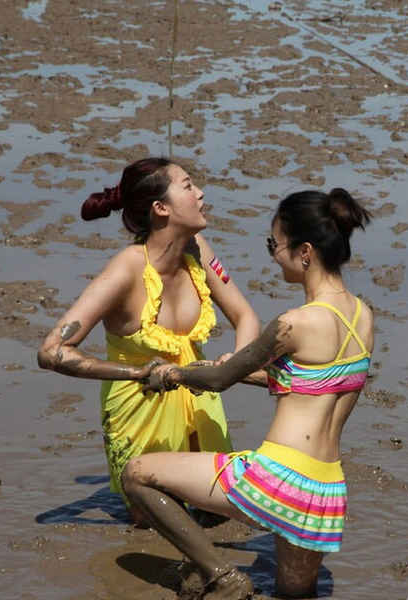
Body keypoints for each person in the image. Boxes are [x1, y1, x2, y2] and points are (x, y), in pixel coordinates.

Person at [122, 188, 374, 598]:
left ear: (305, 252)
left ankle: (222, 576)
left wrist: (172, 374)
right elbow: (313, 383)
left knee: (137, 475)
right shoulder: (363, 317)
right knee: (296, 595)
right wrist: (245, 372)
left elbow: (218, 381)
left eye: (275, 245)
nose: (273, 256)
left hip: (276, 479)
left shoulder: (293, 324)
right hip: (325, 492)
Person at [37, 157, 260, 522]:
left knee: (225, 512)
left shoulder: (198, 250)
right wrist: (136, 373)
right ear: (161, 208)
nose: (200, 193)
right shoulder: (127, 268)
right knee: (157, 520)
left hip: (201, 404)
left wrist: (234, 364)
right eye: (188, 186)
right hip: (139, 412)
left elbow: (245, 316)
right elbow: (52, 351)